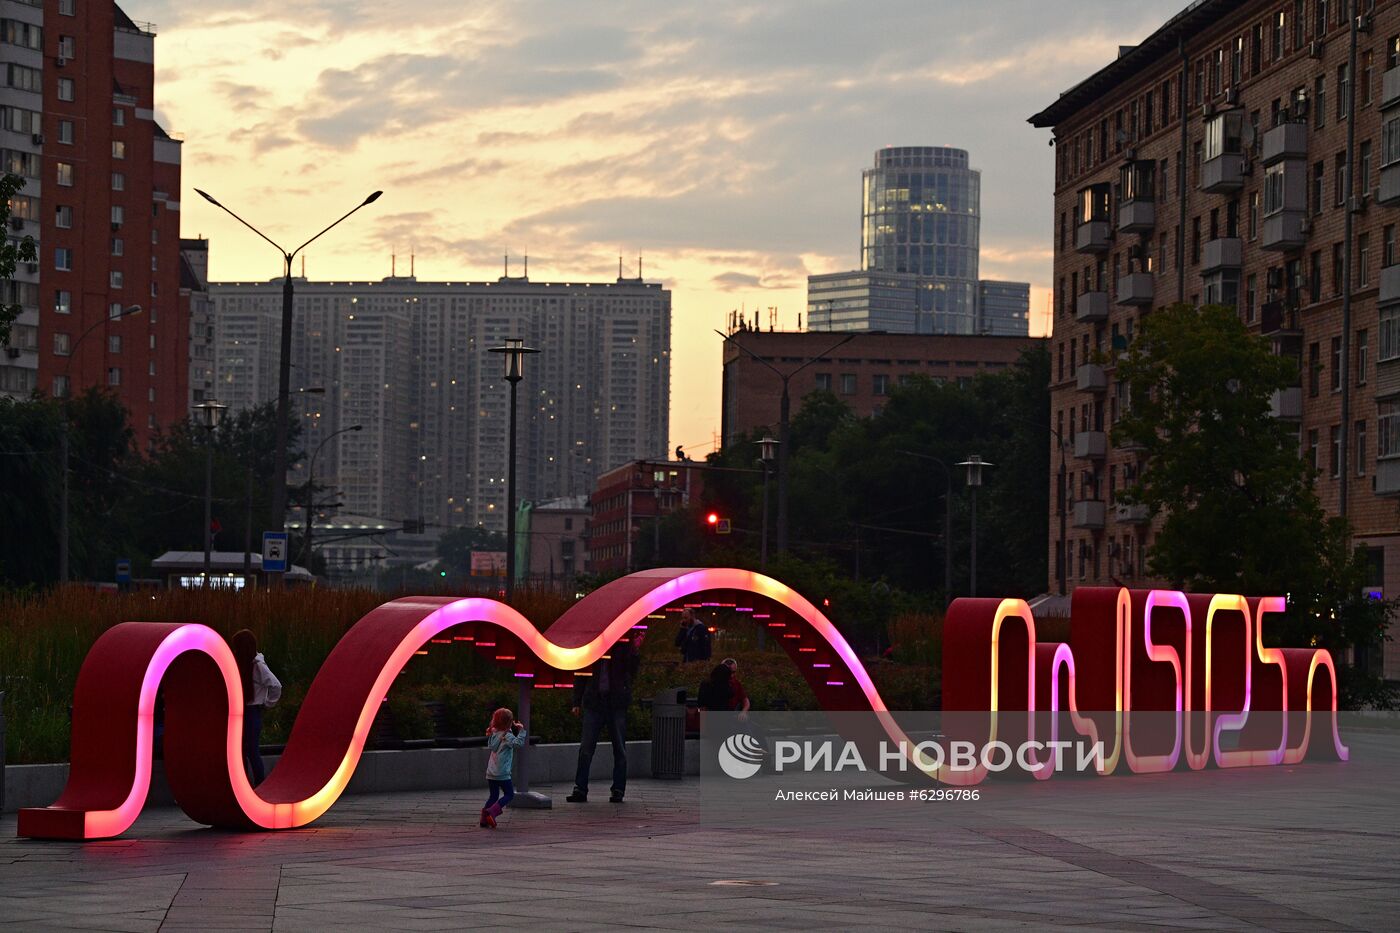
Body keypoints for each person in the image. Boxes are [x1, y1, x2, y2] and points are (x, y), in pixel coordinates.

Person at [567, 631, 645, 803]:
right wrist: (576, 701)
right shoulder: (592, 648)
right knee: (586, 748)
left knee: (618, 749)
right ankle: (581, 788)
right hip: (596, 702)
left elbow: (632, 669)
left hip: (614, 702)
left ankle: (617, 789)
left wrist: (634, 648)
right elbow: (581, 674)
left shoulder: (622, 646)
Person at [229, 629, 281, 787]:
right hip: (244, 712)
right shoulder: (244, 665)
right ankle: (244, 785)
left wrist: (268, 703)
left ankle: (259, 783)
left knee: (251, 749)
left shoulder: (257, 665)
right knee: (241, 751)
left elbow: (275, 685)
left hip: (252, 711)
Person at [480, 707, 526, 829]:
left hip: (491, 772)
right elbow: (519, 744)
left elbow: (492, 747)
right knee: (509, 794)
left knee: (493, 796)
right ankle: (492, 812)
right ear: (509, 723)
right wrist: (521, 731)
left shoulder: (493, 733)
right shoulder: (507, 736)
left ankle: (484, 819)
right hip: (502, 772)